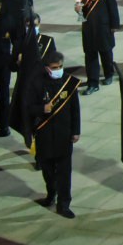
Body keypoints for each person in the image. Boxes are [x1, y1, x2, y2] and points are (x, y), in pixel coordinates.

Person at [28, 50, 81, 218]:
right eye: (54, 67)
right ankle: (51, 194)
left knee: (65, 173)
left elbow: (75, 109)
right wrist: (41, 109)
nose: (58, 69)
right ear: (47, 68)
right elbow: (28, 107)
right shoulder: (36, 83)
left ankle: (64, 204)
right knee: (47, 170)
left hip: (64, 135)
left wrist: (76, 131)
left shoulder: (68, 83)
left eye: (60, 66)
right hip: (44, 135)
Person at [74, 0, 116, 94]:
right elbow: (81, 6)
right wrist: (78, 10)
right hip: (88, 27)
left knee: (105, 52)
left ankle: (109, 74)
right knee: (90, 54)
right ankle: (93, 82)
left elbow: (112, 8)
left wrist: (114, 26)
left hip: (103, 27)